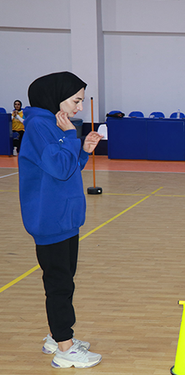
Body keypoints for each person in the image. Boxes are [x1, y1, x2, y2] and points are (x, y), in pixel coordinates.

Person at [18, 71, 103, 369]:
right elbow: (57, 166)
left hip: (64, 217)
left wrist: (82, 151)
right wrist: (70, 136)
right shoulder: (41, 126)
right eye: (76, 100)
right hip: (50, 219)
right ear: (57, 97)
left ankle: (58, 336)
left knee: (65, 281)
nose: (79, 108)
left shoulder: (53, 124)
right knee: (58, 285)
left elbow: (66, 170)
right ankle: (65, 348)